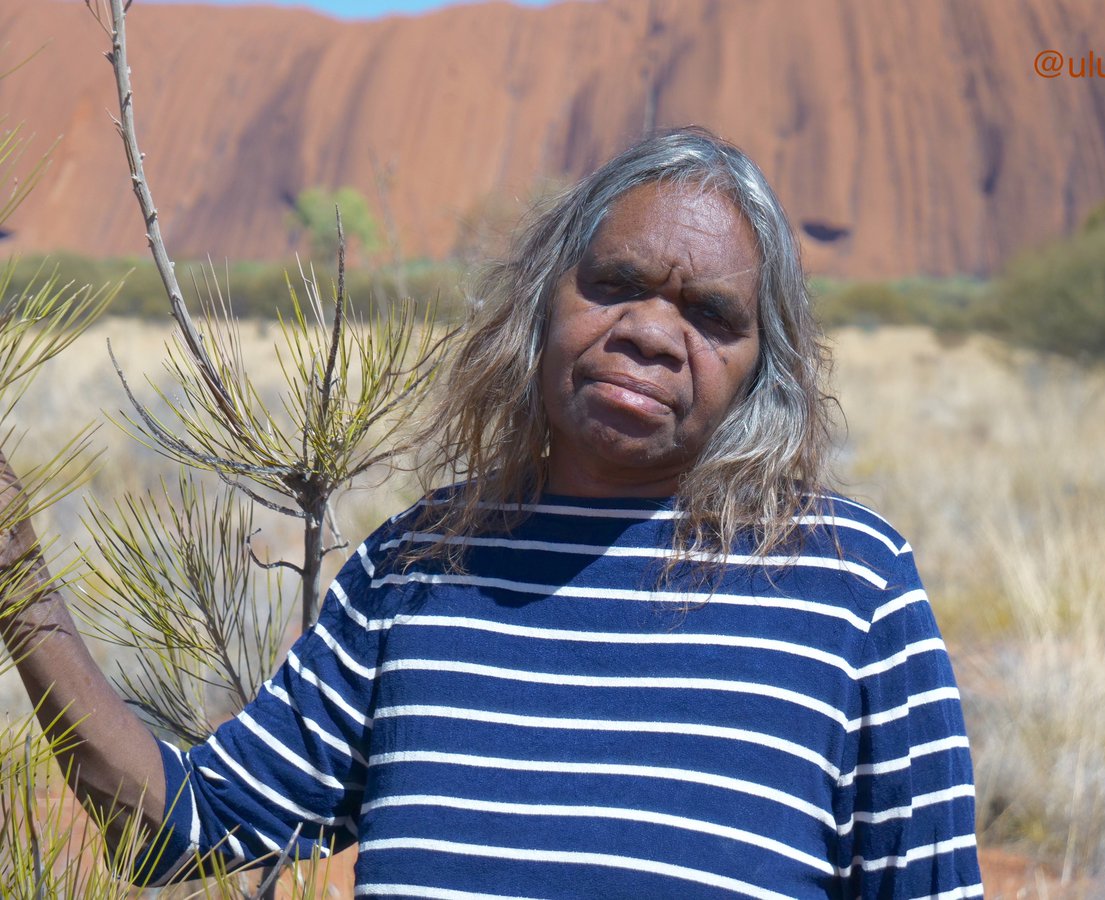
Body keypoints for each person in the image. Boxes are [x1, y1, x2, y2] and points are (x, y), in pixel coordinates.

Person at [0, 127, 983, 898]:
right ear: (542, 302)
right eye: (615, 285)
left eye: (711, 316)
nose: (649, 332)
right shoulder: (418, 567)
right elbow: (174, 831)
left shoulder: (853, 587)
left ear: (763, 366)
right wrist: (16, 567)